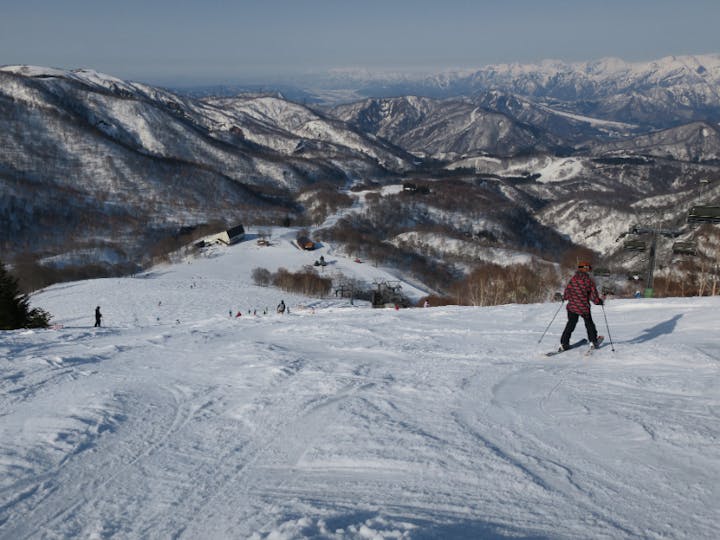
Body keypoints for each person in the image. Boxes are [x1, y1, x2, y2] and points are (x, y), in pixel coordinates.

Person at [560, 261, 604, 350]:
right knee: (589, 324)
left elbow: (567, 291)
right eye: (588, 269)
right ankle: (593, 341)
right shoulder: (589, 281)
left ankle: (564, 343)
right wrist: (599, 302)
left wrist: (564, 298)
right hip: (583, 308)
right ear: (586, 269)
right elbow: (593, 296)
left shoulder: (573, 279)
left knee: (570, 324)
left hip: (572, 307)